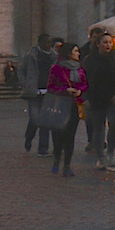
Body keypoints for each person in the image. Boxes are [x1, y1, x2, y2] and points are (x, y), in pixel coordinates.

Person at [79, 24, 115, 169]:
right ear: (98, 44)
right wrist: (85, 98)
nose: (108, 45)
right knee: (99, 128)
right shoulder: (90, 60)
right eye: (105, 42)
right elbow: (84, 79)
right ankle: (101, 157)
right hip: (96, 97)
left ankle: (110, 152)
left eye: (110, 42)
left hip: (114, 97)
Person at [45, 42, 86, 178]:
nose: (78, 54)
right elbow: (50, 87)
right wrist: (65, 90)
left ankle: (67, 165)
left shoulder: (80, 68)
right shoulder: (57, 68)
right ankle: (57, 158)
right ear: (69, 53)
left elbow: (85, 83)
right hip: (60, 104)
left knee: (70, 135)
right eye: (75, 51)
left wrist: (80, 90)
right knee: (58, 135)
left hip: (74, 105)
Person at [17, 32, 57, 157]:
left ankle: (43, 148)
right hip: (34, 92)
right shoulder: (31, 55)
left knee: (44, 121)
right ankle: (29, 138)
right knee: (35, 119)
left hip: (48, 92)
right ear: (40, 43)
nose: (48, 44)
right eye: (46, 42)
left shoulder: (55, 56)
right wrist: (25, 83)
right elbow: (21, 70)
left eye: (50, 42)